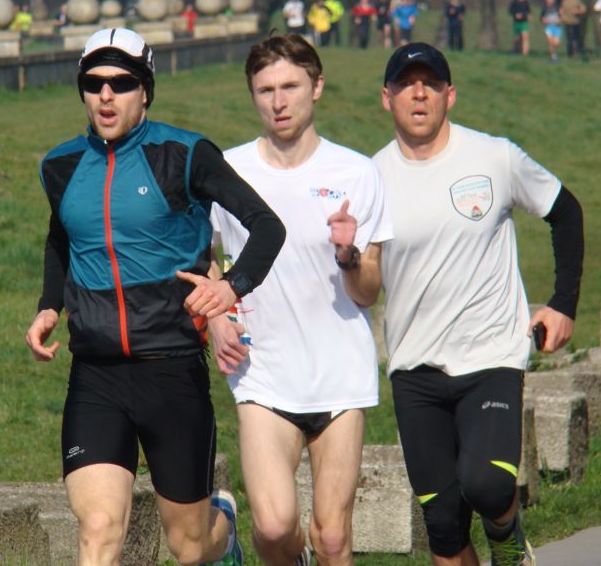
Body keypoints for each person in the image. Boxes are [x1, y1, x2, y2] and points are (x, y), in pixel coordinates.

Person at [25, 27, 286, 566]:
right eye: (94, 83)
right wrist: (50, 304)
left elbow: (267, 226)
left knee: (190, 546)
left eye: (122, 83)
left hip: (171, 370)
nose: (106, 95)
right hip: (96, 374)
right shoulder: (60, 165)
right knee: (98, 530)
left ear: (145, 91)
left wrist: (229, 286)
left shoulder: (184, 154)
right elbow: (61, 237)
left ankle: (224, 532)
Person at [367, 42, 584, 566]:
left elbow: (566, 211)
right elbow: (360, 273)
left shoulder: (494, 157)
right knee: (443, 525)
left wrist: (562, 304)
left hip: (490, 357)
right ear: (387, 98)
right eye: (406, 84)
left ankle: (506, 537)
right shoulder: (370, 177)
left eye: (431, 84)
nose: (419, 94)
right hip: (414, 365)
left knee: (487, 485)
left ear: (451, 95)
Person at [208, 33, 392, 566]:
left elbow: (368, 291)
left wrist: (349, 255)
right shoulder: (228, 170)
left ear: (317, 87)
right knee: (274, 527)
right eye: (265, 90)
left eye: (290, 86)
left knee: (333, 538)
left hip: (340, 372)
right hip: (263, 372)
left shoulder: (356, 172)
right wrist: (217, 320)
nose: (278, 102)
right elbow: (202, 259)